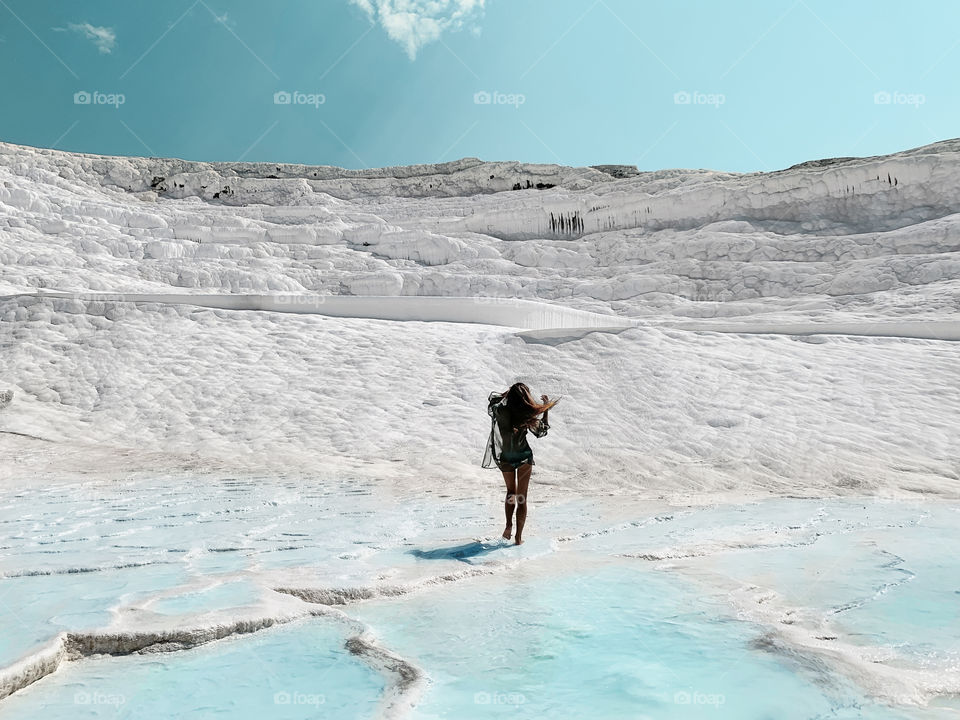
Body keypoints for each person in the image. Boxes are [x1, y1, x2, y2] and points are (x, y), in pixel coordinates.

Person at [482, 383, 559, 545]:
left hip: (506, 457)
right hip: (523, 456)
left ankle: (508, 525)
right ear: (525, 397)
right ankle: (518, 538)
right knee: (522, 497)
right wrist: (545, 411)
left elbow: (492, 400)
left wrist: (507, 394)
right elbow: (541, 432)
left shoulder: (500, 410)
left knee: (511, 492)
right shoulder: (525, 414)